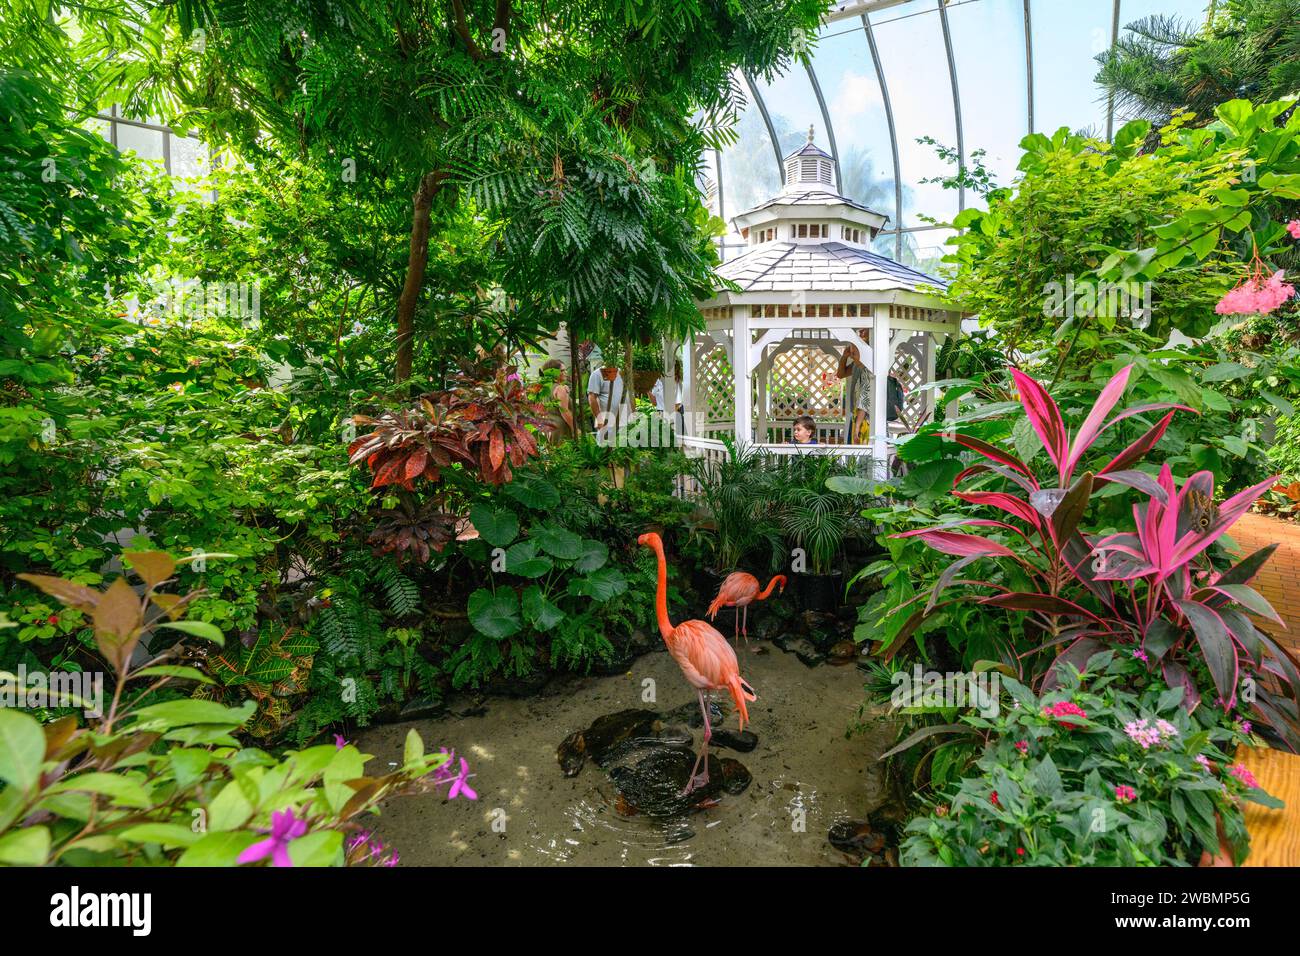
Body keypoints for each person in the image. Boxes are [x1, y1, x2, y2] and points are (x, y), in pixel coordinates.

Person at [836, 342, 870, 444]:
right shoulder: (856, 365)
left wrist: (857, 426)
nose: (852, 351)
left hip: (867, 419)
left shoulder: (869, 369)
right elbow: (841, 374)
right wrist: (844, 357)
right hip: (857, 415)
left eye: (854, 349)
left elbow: (865, 400)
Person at [586, 361, 625, 442]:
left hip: (624, 421)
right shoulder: (597, 374)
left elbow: (629, 394)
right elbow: (592, 396)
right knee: (605, 448)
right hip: (607, 422)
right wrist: (599, 419)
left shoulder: (622, 373)